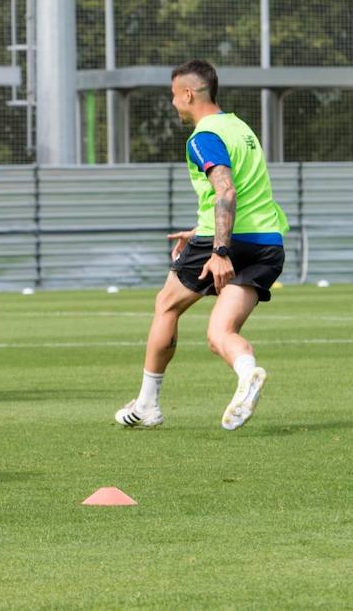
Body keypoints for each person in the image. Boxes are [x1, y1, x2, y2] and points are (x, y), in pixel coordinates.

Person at [114, 60, 287, 430]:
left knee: (166, 305)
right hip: (268, 244)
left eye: (174, 95)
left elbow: (226, 190)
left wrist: (219, 250)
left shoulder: (203, 136)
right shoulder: (241, 128)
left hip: (226, 243)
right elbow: (246, 192)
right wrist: (198, 229)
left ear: (188, 93)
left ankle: (147, 404)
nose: (173, 103)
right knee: (220, 334)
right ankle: (247, 373)